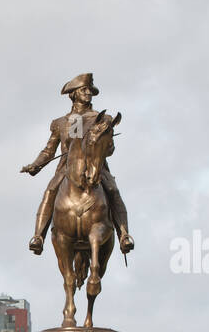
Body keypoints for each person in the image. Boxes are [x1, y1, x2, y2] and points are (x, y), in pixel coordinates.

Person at [21, 72, 133, 256]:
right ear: (74, 94)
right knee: (50, 191)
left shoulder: (102, 119)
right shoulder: (62, 122)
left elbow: (110, 150)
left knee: (113, 190)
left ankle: (124, 235)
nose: (88, 93)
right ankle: (38, 237)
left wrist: (104, 146)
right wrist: (36, 165)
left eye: (90, 90)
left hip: (97, 168)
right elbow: (49, 150)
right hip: (66, 170)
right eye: (84, 90)